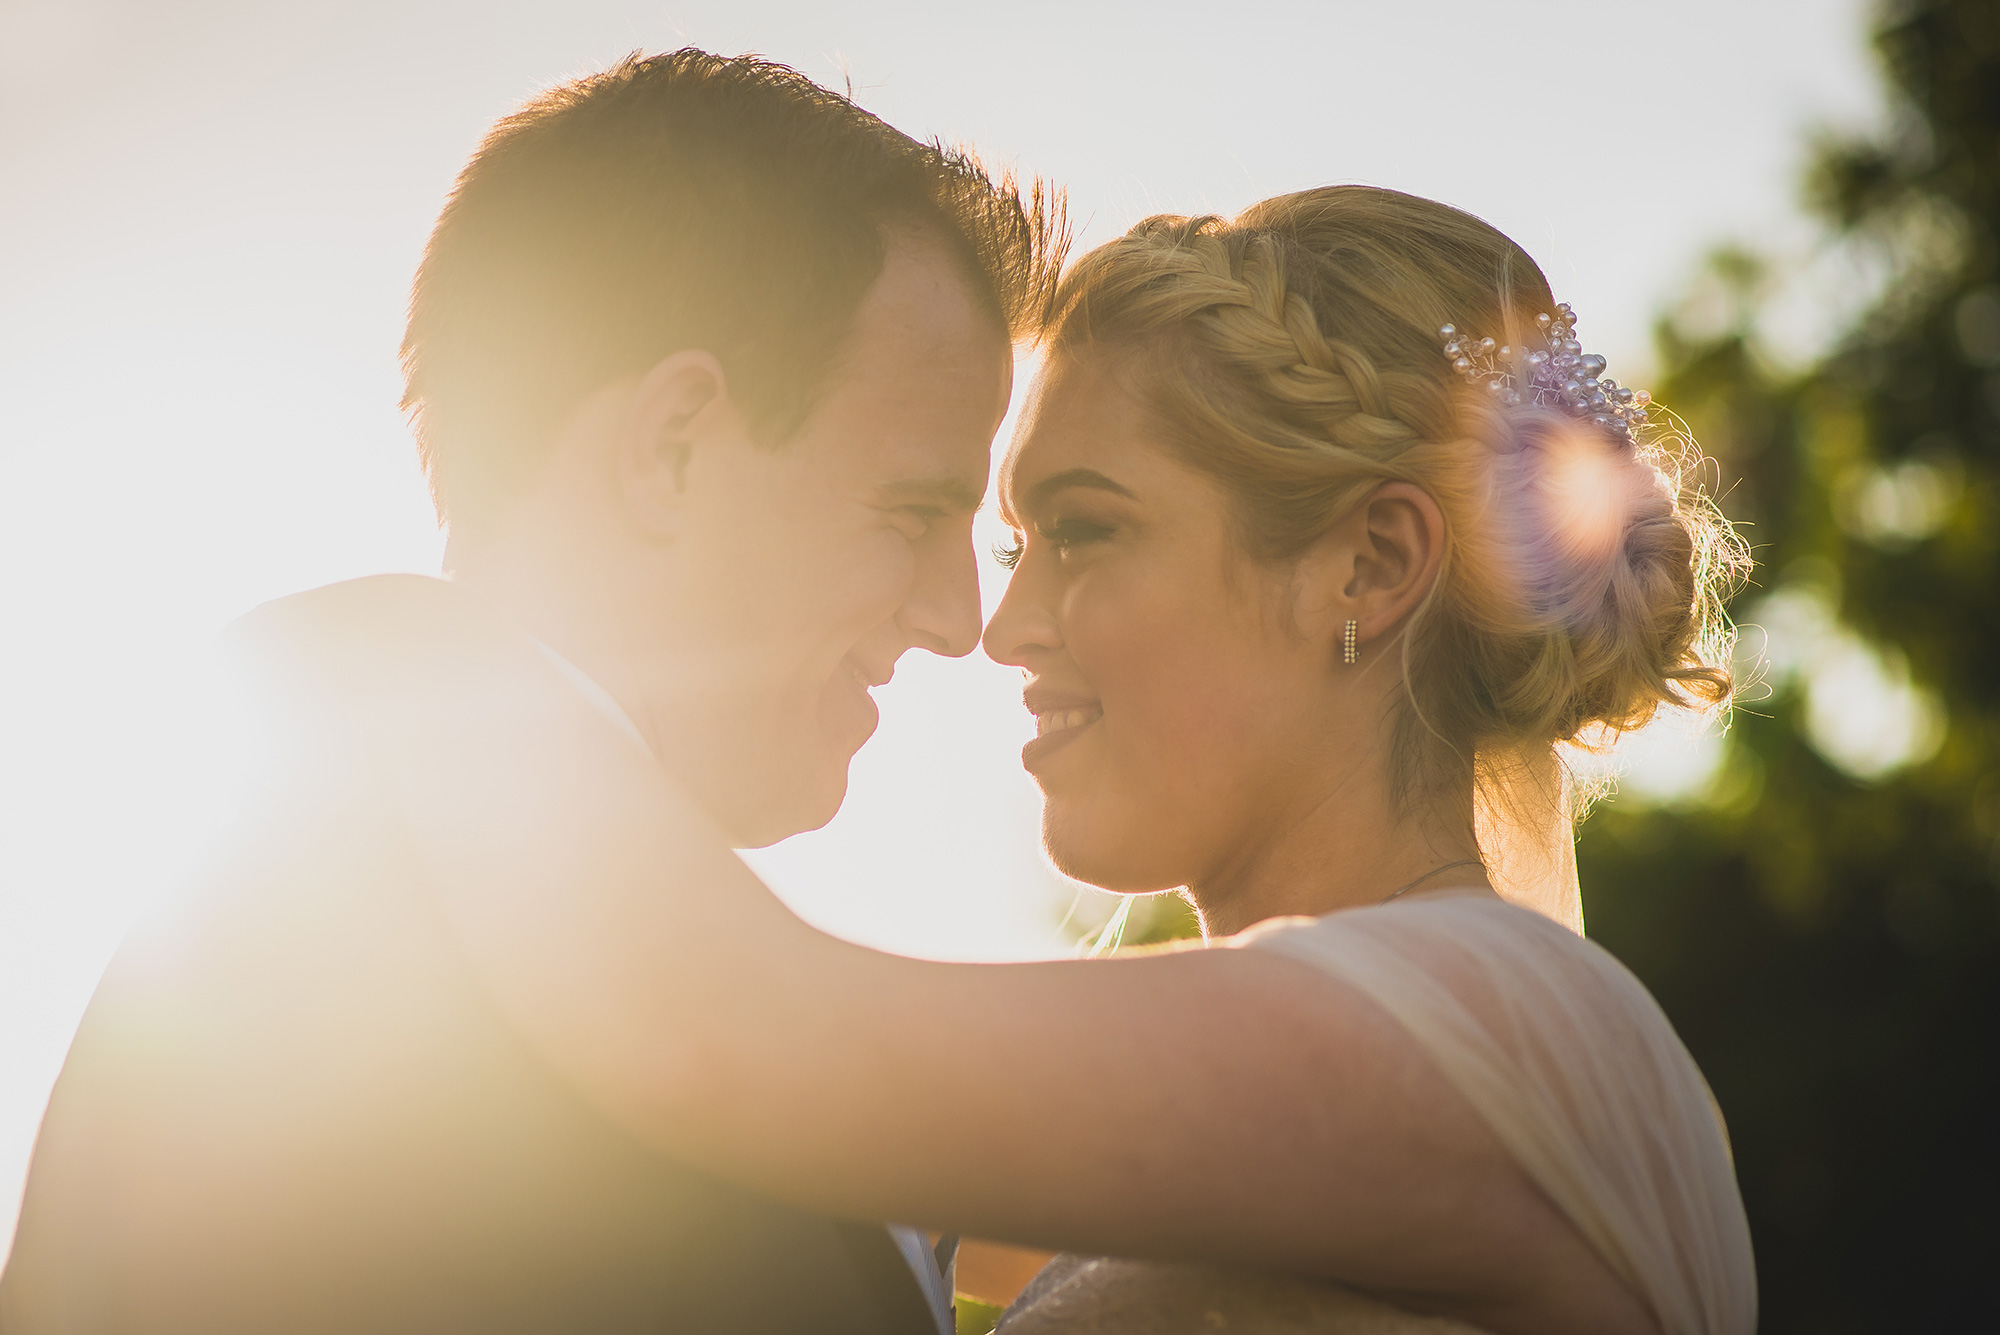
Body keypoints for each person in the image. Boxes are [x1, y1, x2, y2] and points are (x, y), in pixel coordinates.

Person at [188, 184, 1754, 1334]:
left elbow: (728, 1031)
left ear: (1368, 566)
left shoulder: (1520, 1022)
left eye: (1085, 531)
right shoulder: (1198, 1136)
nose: (1002, 626)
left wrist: (403, 644)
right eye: (1016, 539)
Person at [0, 49, 1056, 1335]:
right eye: (911, 509)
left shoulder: (482, 908)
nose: (960, 619)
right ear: (669, 449)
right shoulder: (359, 962)